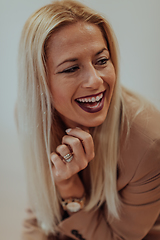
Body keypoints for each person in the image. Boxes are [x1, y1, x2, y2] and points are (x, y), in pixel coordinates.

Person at [16, 0, 160, 239]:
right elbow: (38, 212)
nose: (95, 80)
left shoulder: (149, 143)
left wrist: (69, 188)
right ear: (39, 81)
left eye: (102, 61)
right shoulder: (31, 117)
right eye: (71, 68)